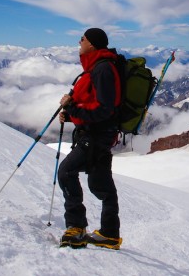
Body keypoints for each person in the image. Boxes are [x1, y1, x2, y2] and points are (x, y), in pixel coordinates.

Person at [57, 28, 123, 250]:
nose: (79, 41)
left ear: (92, 44)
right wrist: (72, 115)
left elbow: (105, 109)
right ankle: (110, 235)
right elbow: (93, 105)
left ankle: (76, 228)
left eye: (83, 38)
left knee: (66, 171)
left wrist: (73, 107)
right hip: (99, 134)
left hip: (96, 136)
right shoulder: (96, 66)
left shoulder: (103, 68)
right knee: (101, 186)